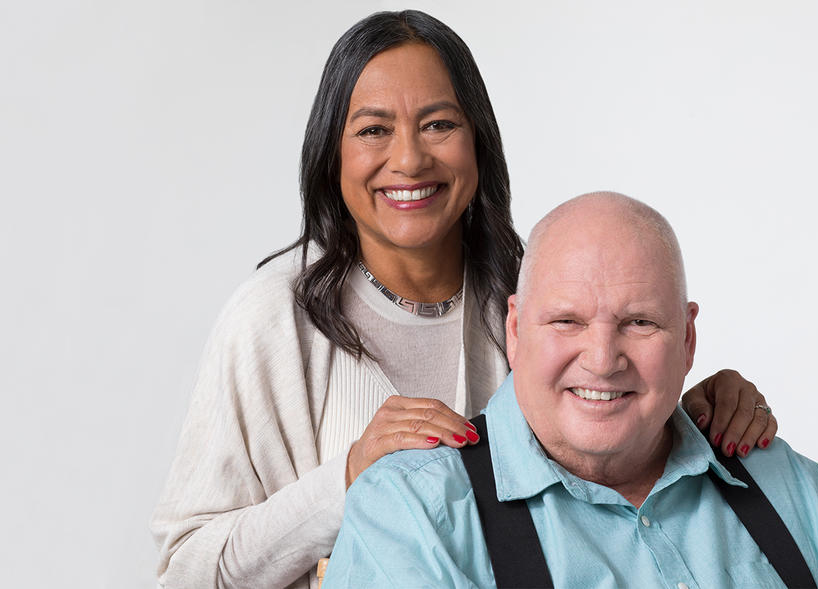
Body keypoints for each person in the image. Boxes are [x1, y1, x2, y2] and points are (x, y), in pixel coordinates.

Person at [151, 13, 780, 589]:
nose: (409, 158)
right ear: (330, 154)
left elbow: (617, 439)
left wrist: (694, 412)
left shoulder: (540, 292)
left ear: (478, 139)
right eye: (373, 129)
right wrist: (345, 480)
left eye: (438, 124)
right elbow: (184, 571)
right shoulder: (269, 321)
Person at [323, 193, 818, 589]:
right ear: (515, 331)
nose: (601, 359)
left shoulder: (792, 490)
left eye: (640, 323)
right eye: (566, 321)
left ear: (688, 339)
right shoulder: (413, 516)